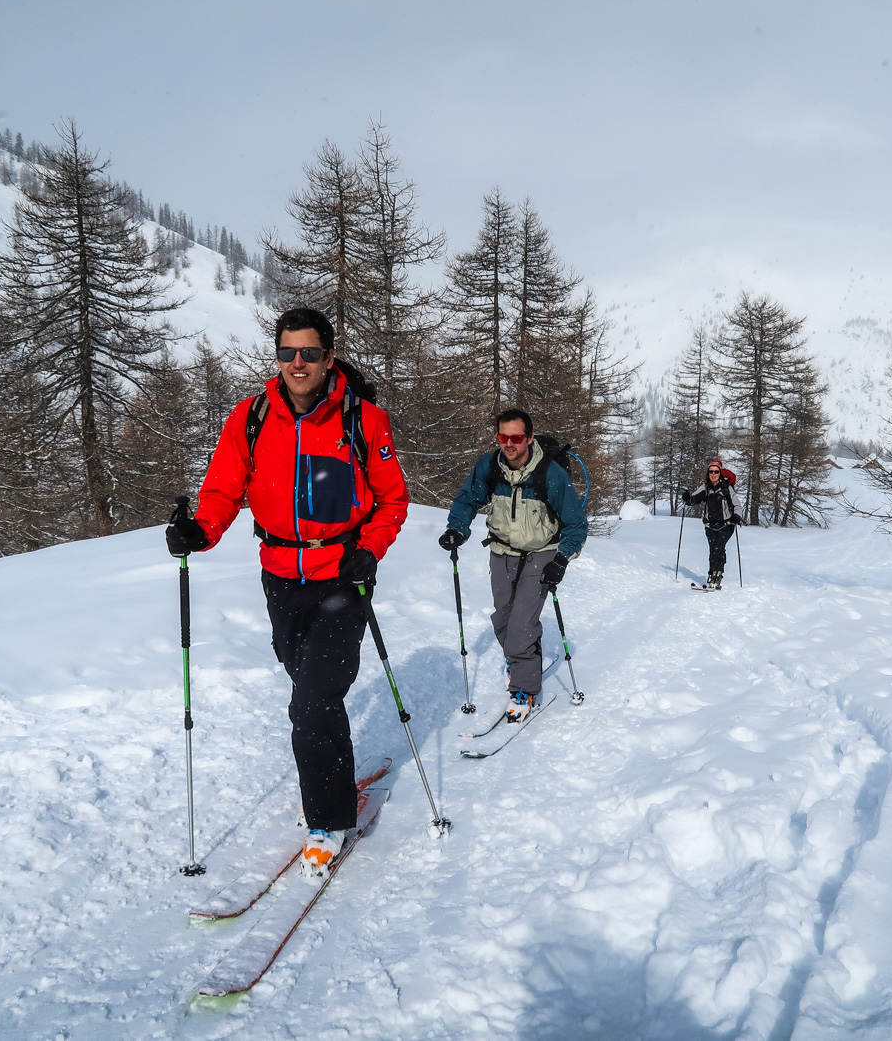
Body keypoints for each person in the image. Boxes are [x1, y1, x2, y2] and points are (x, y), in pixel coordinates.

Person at [164, 307, 408, 875]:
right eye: (287, 353)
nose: (298, 364)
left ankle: (328, 818)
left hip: (342, 574)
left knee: (312, 700)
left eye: (310, 353)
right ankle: (331, 771)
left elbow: (392, 500)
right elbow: (223, 490)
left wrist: (368, 550)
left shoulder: (363, 420)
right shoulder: (250, 418)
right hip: (279, 576)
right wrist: (198, 531)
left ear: (329, 356)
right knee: (308, 687)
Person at [439, 408, 588, 721]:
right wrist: (457, 528)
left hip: (542, 552)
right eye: (503, 436)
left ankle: (525, 688)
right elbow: (467, 500)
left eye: (516, 437)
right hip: (502, 551)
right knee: (503, 621)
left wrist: (561, 559)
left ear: (529, 438)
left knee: (520, 626)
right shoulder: (489, 467)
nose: (509, 443)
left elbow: (576, 523)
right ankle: (523, 655)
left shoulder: (550, 473)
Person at [682, 459, 740, 589]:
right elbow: (694, 499)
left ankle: (717, 575)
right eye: (711, 472)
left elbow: (736, 504)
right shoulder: (706, 488)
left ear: (720, 473)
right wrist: (687, 499)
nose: (713, 474)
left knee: (719, 548)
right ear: (708, 473)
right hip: (710, 525)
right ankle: (711, 574)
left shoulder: (727, 488)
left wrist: (736, 516)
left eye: (716, 471)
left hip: (727, 524)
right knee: (712, 550)